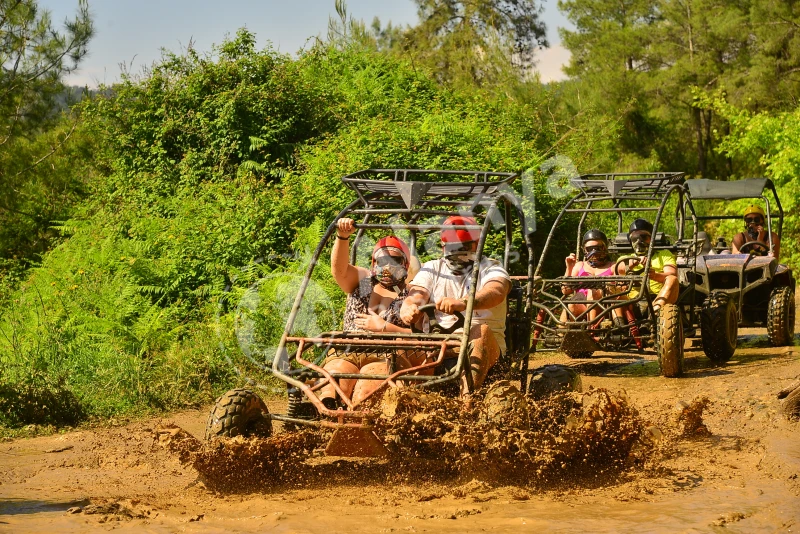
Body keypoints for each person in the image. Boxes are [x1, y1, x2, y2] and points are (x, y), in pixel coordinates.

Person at [399, 215, 511, 390]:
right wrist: (409, 308)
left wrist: (465, 302)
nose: (458, 252)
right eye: (453, 247)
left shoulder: (491, 268)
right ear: (443, 246)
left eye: (464, 246)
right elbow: (416, 294)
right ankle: (408, 399)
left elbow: (496, 291)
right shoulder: (432, 268)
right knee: (400, 345)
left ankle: (467, 403)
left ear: (477, 244)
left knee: (480, 331)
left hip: (484, 350)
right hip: (436, 347)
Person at [319, 218, 414, 407]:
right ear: (374, 262)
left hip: (387, 355)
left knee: (366, 388)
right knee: (333, 382)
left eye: (394, 261)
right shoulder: (363, 281)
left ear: (405, 264)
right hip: (348, 351)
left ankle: (358, 424)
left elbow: (421, 337)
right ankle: (324, 418)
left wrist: (385, 328)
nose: (387, 267)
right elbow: (339, 271)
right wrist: (343, 237)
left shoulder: (411, 293)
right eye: (382, 261)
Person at [617, 218, 678, 313]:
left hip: (658, 297)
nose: (639, 242)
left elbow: (672, 274)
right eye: (634, 238)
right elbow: (617, 271)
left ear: (652, 239)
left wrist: (654, 275)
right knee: (609, 286)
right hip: (630, 302)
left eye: (644, 237)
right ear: (630, 241)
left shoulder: (664, 254)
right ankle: (617, 320)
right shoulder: (625, 259)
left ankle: (655, 312)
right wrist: (631, 264)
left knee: (672, 279)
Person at [560, 229, 618, 324]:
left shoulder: (613, 266)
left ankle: (591, 329)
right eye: (590, 249)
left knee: (593, 292)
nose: (594, 252)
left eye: (598, 248)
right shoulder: (579, 265)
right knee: (571, 305)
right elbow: (565, 290)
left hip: (605, 305)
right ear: (584, 250)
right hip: (581, 304)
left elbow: (620, 289)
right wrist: (569, 267)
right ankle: (564, 333)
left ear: (605, 248)